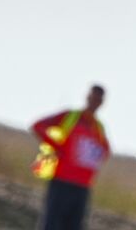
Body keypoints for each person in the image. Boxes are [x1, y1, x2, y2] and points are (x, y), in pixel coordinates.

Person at [31, 85, 111, 230]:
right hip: (62, 180)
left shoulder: (98, 127)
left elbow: (105, 151)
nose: (94, 101)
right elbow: (38, 126)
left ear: (101, 103)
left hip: (83, 186)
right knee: (51, 224)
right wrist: (58, 147)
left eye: (98, 99)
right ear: (88, 97)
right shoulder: (71, 116)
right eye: (93, 97)